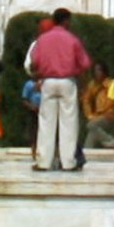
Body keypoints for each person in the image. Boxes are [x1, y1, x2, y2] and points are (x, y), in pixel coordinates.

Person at [26, 14, 90, 171]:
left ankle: (43, 162)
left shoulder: (43, 39)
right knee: (68, 123)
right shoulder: (72, 39)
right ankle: (68, 162)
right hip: (67, 81)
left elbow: (34, 62)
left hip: (48, 81)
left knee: (46, 122)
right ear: (65, 21)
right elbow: (85, 63)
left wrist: (40, 74)